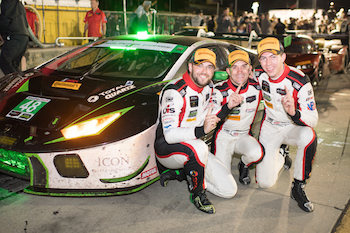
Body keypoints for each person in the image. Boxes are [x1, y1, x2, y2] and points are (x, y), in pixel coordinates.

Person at [155, 48, 242, 214]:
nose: (204, 71)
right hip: (167, 148)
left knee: (228, 191)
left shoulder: (209, 89)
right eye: (200, 65)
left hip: (193, 146)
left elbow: (213, 117)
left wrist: (228, 106)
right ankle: (197, 193)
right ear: (190, 67)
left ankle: (182, 173)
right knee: (200, 147)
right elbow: (170, 135)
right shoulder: (175, 91)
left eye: (209, 67)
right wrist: (202, 130)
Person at [255, 37, 318, 212]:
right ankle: (282, 154)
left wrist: (294, 113)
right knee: (265, 183)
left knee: (309, 136)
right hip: (269, 126)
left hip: (292, 126)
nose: (268, 63)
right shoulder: (259, 74)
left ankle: (298, 186)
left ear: (283, 57)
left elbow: (313, 119)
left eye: (273, 56)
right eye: (263, 58)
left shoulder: (299, 81)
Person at [210, 50, 264, 188]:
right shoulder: (218, 90)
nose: (240, 71)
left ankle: (244, 165)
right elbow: (211, 118)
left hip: (244, 136)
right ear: (228, 71)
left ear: (250, 69)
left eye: (244, 66)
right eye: (234, 67)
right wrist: (227, 106)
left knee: (257, 154)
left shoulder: (258, 87)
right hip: (223, 138)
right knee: (223, 184)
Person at [0, 0, 29, 76]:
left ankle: (15, 82)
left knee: (4, 61)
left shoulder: (7, 2)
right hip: (24, 36)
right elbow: (26, 23)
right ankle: (19, 82)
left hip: (14, 36)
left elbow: (5, 18)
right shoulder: (19, 4)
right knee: (14, 65)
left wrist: (1, 32)